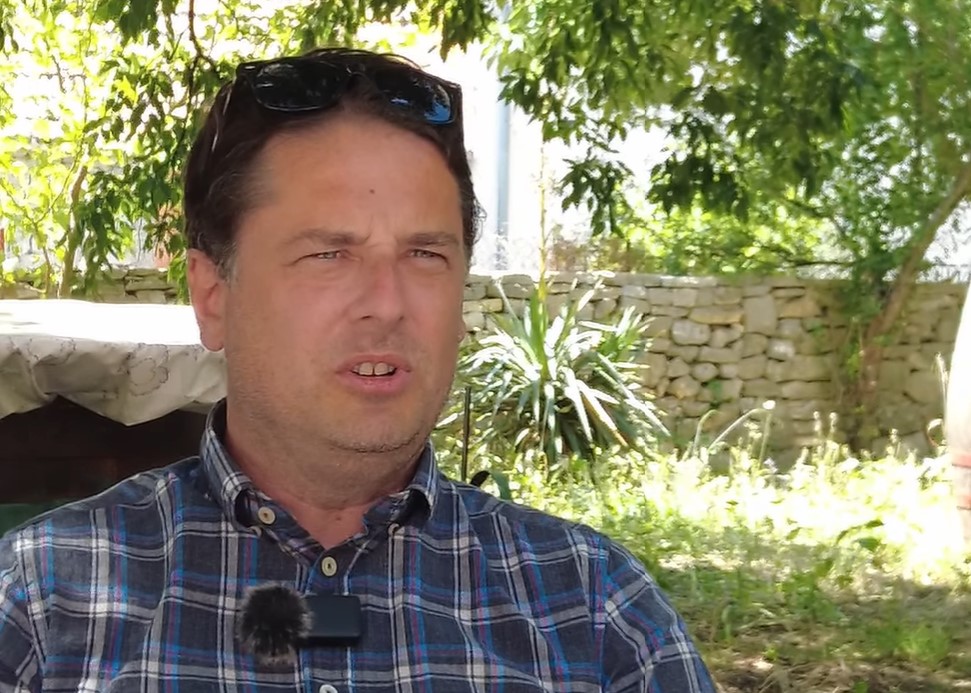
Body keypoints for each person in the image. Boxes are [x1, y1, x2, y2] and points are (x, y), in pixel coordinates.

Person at [0, 47, 715, 691]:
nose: (387, 304)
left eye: (425, 254)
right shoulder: (41, 605)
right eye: (328, 254)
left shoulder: (595, 614)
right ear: (213, 295)